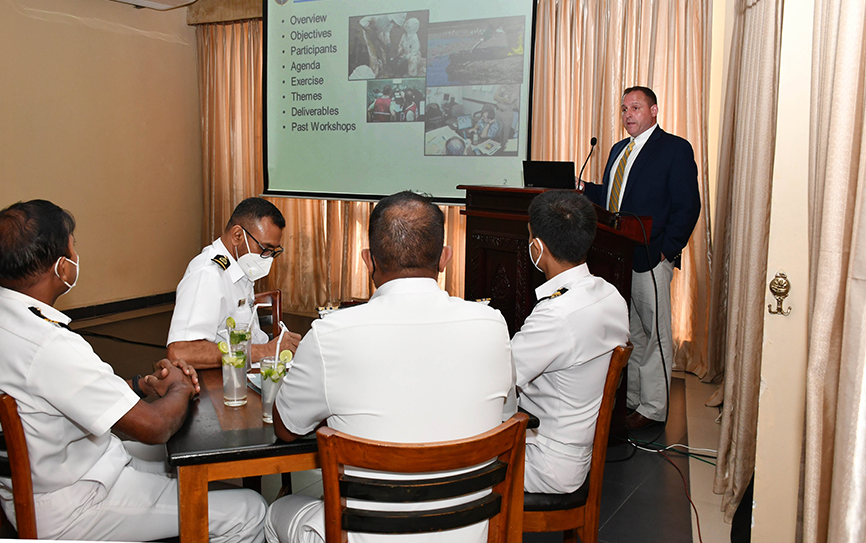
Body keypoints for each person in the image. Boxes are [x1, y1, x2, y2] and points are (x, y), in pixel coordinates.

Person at [0, 200, 267, 541]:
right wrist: (180, 386)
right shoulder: (50, 345)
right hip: (77, 504)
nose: (77, 254)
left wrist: (141, 385)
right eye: (73, 244)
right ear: (62, 267)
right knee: (249, 509)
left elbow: (60, 390)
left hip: (41, 482)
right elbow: (156, 428)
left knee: (187, 458)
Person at [265, 191, 513, 543]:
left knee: (274, 512)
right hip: (470, 531)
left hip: (367, 535)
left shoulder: (329, 335)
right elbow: (504, 415)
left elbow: (286, 428)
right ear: (445, 258)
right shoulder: (493, 325)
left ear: (368, 261)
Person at [580, 86, 701, 429]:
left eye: (635, 107)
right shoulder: (619, 149)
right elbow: (616, 198)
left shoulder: (674, 149)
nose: (628, 114)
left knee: (656, 334)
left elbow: (688, 205)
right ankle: (632, 400)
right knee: (631, 334)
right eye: (623, 109)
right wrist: (585, 190)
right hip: (617, 257)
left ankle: (654, 408)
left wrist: (667, 249)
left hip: (652, 255)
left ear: (654, 110)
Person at [513, 191, 629, 494]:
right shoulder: (610, 295)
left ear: (537, 247)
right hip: (575, 452)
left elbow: (499, 377)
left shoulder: (557, 315)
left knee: (454, 461)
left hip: (544, 459)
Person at [167, 197, 301, 369]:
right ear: (237, 236)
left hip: (243, 370)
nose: (267, 258)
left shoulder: (241, 269)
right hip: (218, 385)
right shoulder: (208, 274)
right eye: (264, 249)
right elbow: (181, 352)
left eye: (273, 252)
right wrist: (264, 350)